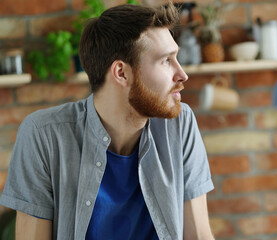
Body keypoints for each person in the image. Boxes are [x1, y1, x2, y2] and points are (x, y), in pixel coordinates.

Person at [0, 2, 215, 240]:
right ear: (121, 73)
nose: (182, 74)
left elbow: (199, 236)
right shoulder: (43, 135)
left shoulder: (180, 124)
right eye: (166, 60)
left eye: (177, 57)